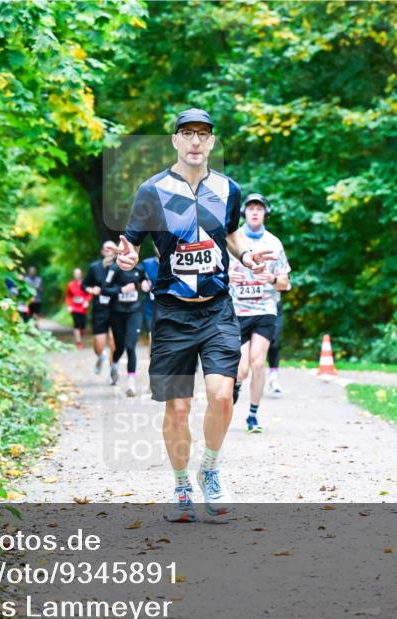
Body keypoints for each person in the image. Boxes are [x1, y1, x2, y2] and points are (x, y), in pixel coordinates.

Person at [115, 108, 276, 522]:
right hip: (170, 313)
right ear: (175, 140)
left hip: (218, 308)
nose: (195, 142)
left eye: (203, 135)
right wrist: (128, 259)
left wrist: (247, 255)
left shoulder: (229, 189)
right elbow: (130, 244)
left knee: (223, 395)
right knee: (179, 408)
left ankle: (211, 470)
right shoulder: (151, 191)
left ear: (212, 142)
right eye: (187, 133)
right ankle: (182, 485)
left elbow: (230, 233)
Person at [228, 193, 291, 433]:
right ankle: (235, 386)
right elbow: (212, 273)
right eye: (250, 208)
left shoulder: (274, 243)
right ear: (244, 213)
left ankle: (252, 415)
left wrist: (273, 278)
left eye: (259, 208)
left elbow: (285, 282)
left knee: (258, 362)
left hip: (265, 309)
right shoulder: (233, 240)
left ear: (265, 213)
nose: (255, 212)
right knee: (241, 368)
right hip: (237, 311)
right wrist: (225, 276)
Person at [108, 264, 150, 396]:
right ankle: (114, 365)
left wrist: (144, 284)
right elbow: (104, 289)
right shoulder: (114, 269)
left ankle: (131, 385)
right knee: (119, 347)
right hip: (117, 313)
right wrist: (122, 289)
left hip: (134, 312)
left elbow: (145, 281)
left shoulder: (139, 268)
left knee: (130, 346)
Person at [82, 241, 119, 374]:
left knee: (114, 341)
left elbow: (123, 285)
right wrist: (91, 290)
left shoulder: (118, 267)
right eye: (106, 248)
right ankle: (100, 356)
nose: (108, 250)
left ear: (115, 251)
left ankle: (113, 368)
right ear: (102, 251)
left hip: (116, 308)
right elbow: (84, 285)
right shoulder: (94, 267)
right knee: (99, 344)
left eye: (111, 248)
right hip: (100, 309)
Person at [65, 268, 89, 349]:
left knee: (82, 325)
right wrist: (69, 306)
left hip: (83, 308)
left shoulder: (85, 283)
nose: (77, 275)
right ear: (73, 274)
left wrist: (87, 301)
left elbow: (89, 293)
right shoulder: (70, 284)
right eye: (75, 273)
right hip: (74, 308)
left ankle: (82, 331)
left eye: (78, 273)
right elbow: (68, 296)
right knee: (76, 325)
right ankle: (79, 343)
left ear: (81, 274)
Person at [266, 294, 285, 395]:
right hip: (246, 311)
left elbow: (286, 285)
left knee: (274, 343)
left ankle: (274, 378)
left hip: (273, 308)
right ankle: (238, 380)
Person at [140, 255, 159, 339]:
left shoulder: (173, 261)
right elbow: (139, 277)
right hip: (150, 307)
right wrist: (142, 282)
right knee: (152, 336)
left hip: (169, 306)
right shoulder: (146, 263)